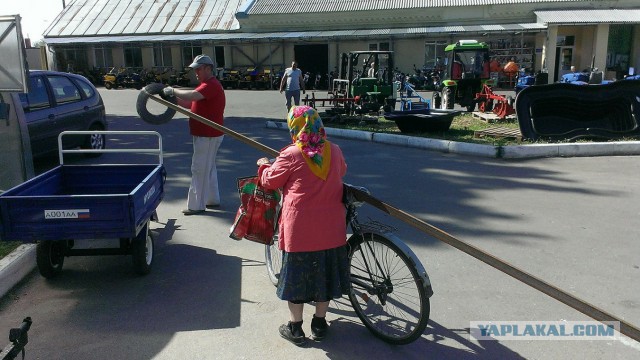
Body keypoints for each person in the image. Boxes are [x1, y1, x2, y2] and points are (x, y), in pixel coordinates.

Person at [256, 105, 349, 346]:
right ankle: (319, 323)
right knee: (325, 277)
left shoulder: (290, 154)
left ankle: (296, 328)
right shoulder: (335, 151)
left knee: (296, 280)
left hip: (301, 232)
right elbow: (342, 171)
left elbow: (269, 181)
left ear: (295, 128)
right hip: (331, 230)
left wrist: (265, 164)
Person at [162, 54, 226, 215]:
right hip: (206, 133)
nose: (196, 72)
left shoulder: (211, 84)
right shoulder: (205, 86)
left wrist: (173, 89)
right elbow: (190, 103)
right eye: (195, 69)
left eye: (199, 69)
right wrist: (172, 97)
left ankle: (196, 205)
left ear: (208, 68)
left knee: (199, 168)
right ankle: (212, 199)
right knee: (208, 167)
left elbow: (191, 96)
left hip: (208, 134)